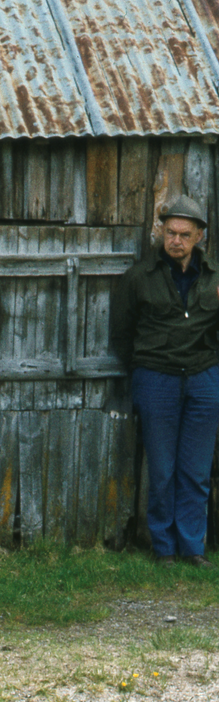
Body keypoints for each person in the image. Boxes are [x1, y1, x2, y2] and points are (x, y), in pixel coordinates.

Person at [111, 195, 219, 568]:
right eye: (169, 232)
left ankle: (192, 548)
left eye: (184, 234)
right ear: (160, 232)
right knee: (162, 468)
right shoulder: (139, 277)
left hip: (204, 379)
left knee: (196, 469)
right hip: (156, 379)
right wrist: (144, 368)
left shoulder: (215, 279)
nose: (175, 240)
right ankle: (164, 549)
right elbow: (122, 333)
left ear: (199, 236)